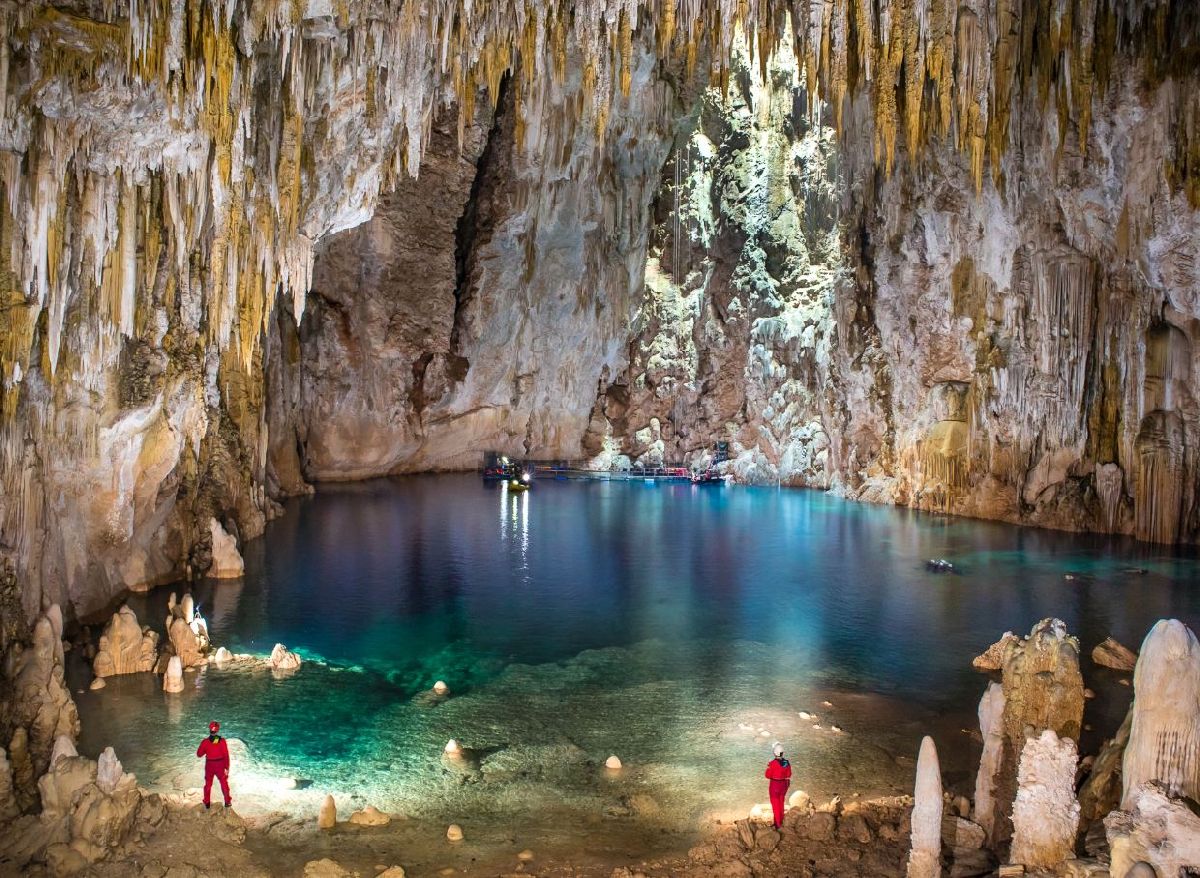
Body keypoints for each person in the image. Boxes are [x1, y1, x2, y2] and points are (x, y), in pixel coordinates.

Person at [196, 720, 232, 809]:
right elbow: (226, 755)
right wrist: (227, 767)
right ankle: (227, 802)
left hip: (209, 765)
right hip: (220, 765)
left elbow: (199, 754)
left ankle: (207, 802)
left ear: (209, 729)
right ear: (217, 730)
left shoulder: (205, 742)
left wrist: (206, 749)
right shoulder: (222, 741)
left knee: (208, 784)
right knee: (224, 783)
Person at [764, 741, 791, 829]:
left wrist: (768, 766)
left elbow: (767, 775)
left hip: (775, 785)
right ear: (782, 753)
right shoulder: (786, 762)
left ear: (774, 753)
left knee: (775, 805)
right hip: (784, 785)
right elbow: (789, 774)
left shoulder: (772, 763)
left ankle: (778, 825)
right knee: (781, 803)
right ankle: (779, 821)